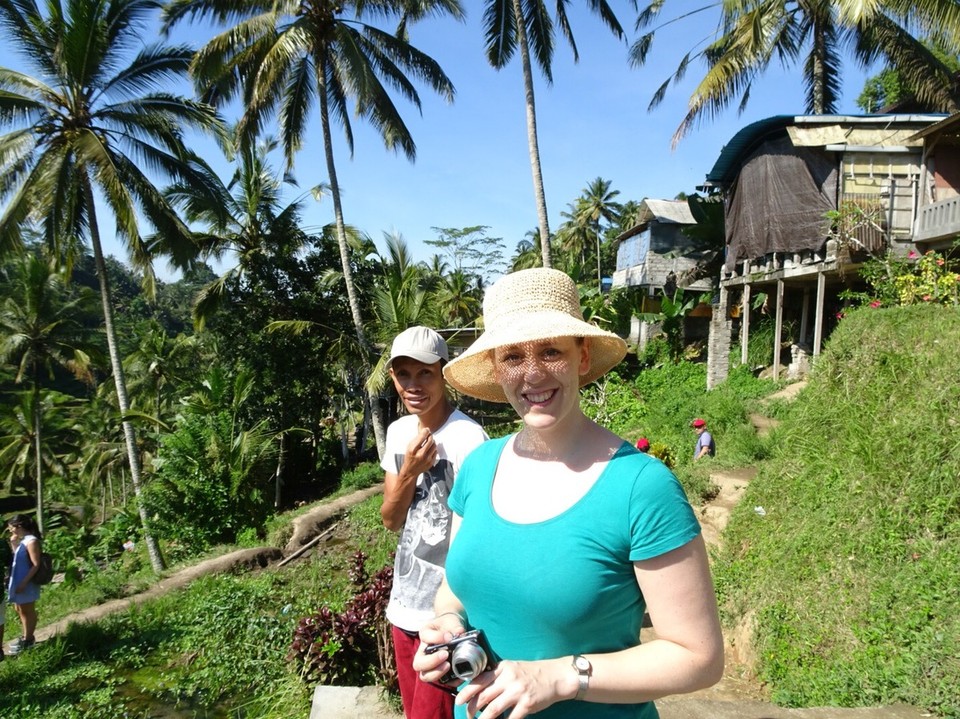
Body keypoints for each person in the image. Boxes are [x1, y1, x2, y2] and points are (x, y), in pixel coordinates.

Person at [413, 268, 724, 719]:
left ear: (582, 358)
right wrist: (445, 628)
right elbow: (452, 593)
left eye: (551, 351)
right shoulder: (479, 466)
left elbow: (699, 657)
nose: (533, 374)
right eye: (514, 356)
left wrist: (562, 677)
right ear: (497, 370)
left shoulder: (642, 487)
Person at [381, 326, 489, 719]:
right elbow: (392, 519)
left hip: (445, 615)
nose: (413, 385)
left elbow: (479, 532)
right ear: (393, 377)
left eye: (425, 372)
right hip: (403, 605)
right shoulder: (397, 434)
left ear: (444, 373)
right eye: (403, 374)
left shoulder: (468, 438)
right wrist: (409, 470)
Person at [6, 514, 43, 655]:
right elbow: (19, 559)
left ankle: (28, 640)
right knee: (19, 609)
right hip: (19, 581)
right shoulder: (23, 541)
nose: (10, 531)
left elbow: (35, 564)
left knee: (27, 611)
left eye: (11, 528)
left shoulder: (32, 541)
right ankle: (26, 636)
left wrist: (23, 583)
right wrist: (14, 544)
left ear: (19, 527)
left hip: (26, 582)